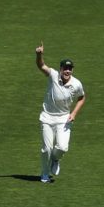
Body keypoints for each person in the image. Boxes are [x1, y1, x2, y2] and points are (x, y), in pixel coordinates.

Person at [35, 42, 86, 184]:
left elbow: (82, 98)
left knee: (62, 147)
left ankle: (56, 159)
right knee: (46, 149)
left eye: (70, 69)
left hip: (64, 118)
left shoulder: (76, 84)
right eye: (65, 68)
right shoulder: (53, 75)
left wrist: (74, 113)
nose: (67, 71)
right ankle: (45, 173)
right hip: (47, 117)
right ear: (60, 68)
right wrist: (39, 55)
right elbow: (41, 66)